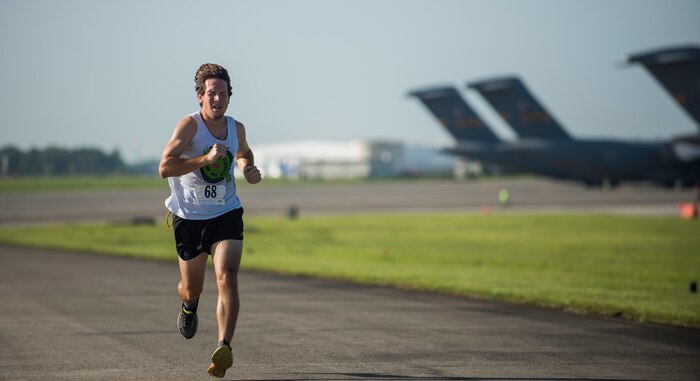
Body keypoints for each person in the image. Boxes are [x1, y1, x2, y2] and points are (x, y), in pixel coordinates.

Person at [159, 63, 262, 378]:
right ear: (200, 97)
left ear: (230, 95)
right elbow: (165, 167)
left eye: (223, 93)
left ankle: (223, 347)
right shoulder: (189, 127)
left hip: (226, 213)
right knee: (192, 288)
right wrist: (204, 159)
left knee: (226, 277)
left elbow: (244, 152)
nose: (218, 99)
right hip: (189, 218)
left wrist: (247, 168)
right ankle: (189, 308)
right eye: (212, 94)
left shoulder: (235, 128)